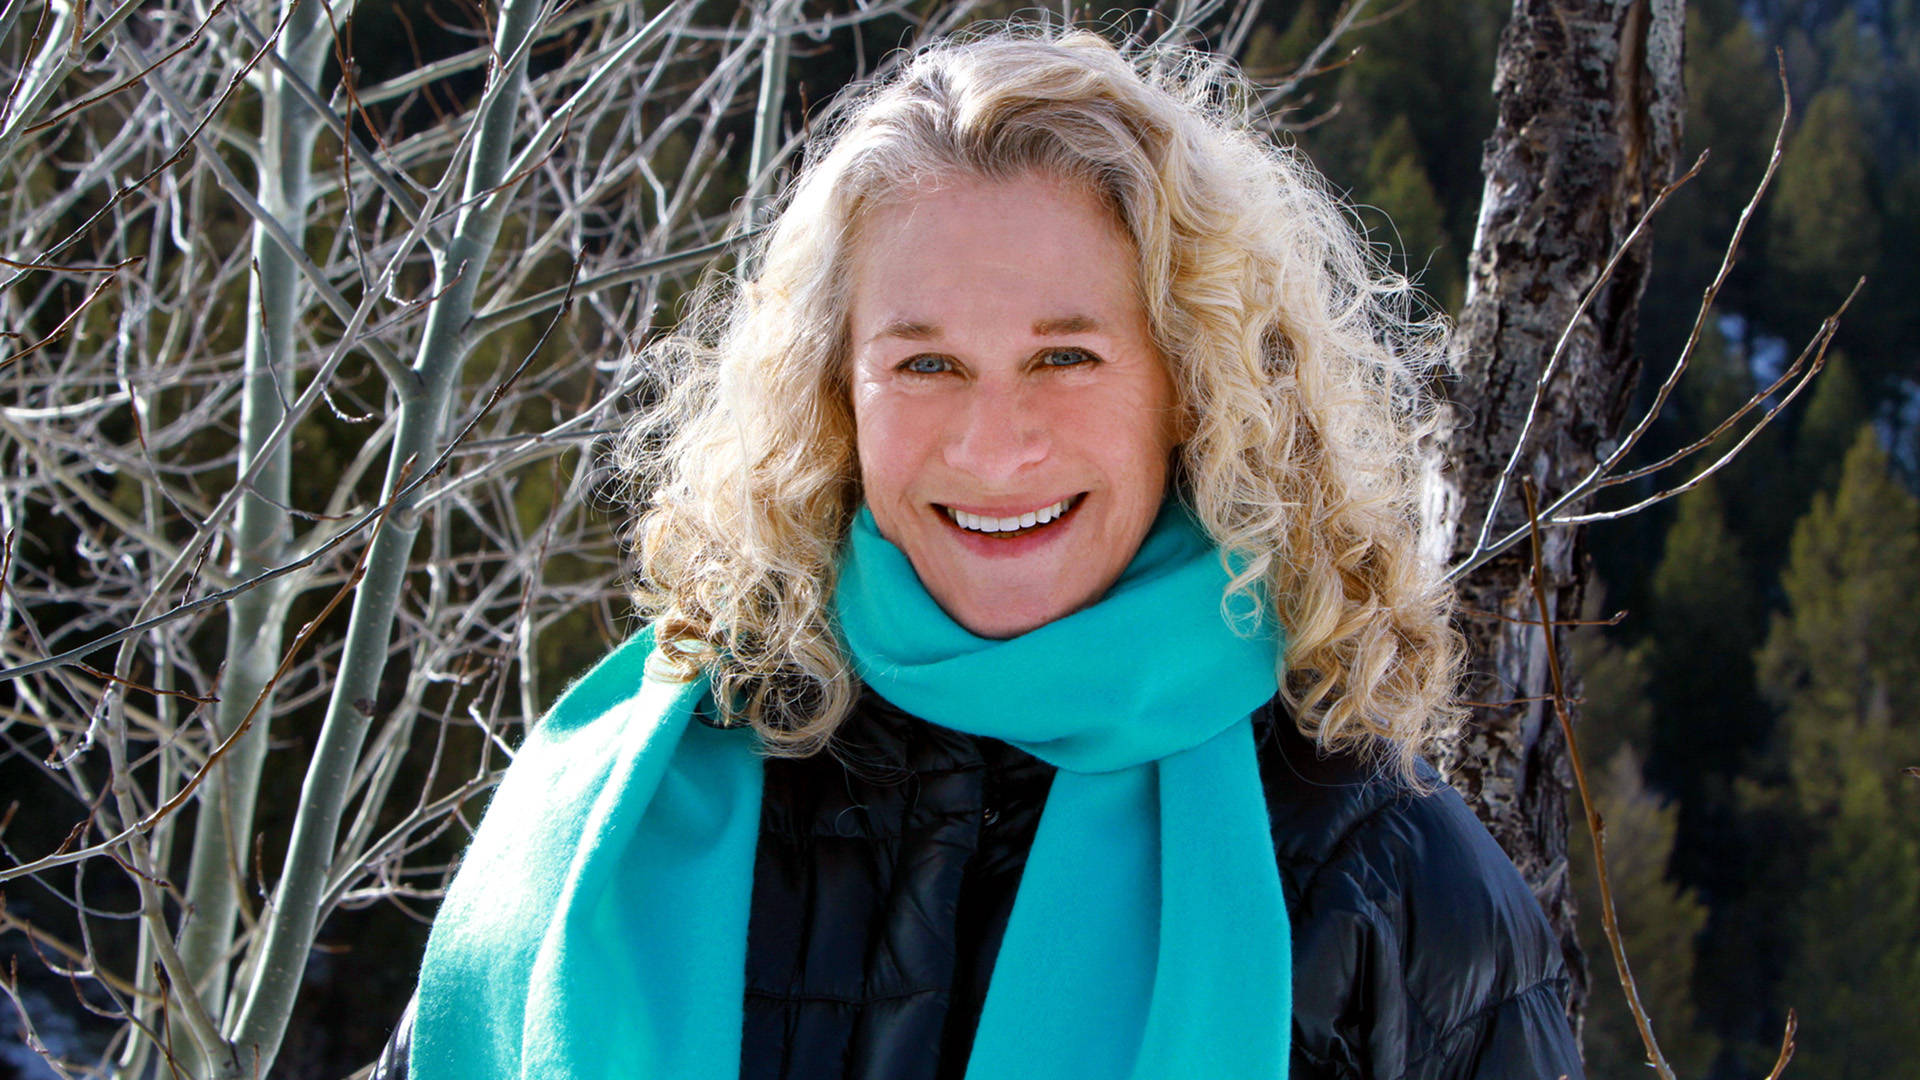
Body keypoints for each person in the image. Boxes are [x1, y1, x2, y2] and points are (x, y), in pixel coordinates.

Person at [376, 27, 1584, 1080]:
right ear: (836, 395)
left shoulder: (1379, 879)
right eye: (925, 364)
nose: (994, 447)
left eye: (1065, 358)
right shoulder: (621, 815)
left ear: (1192, 386)